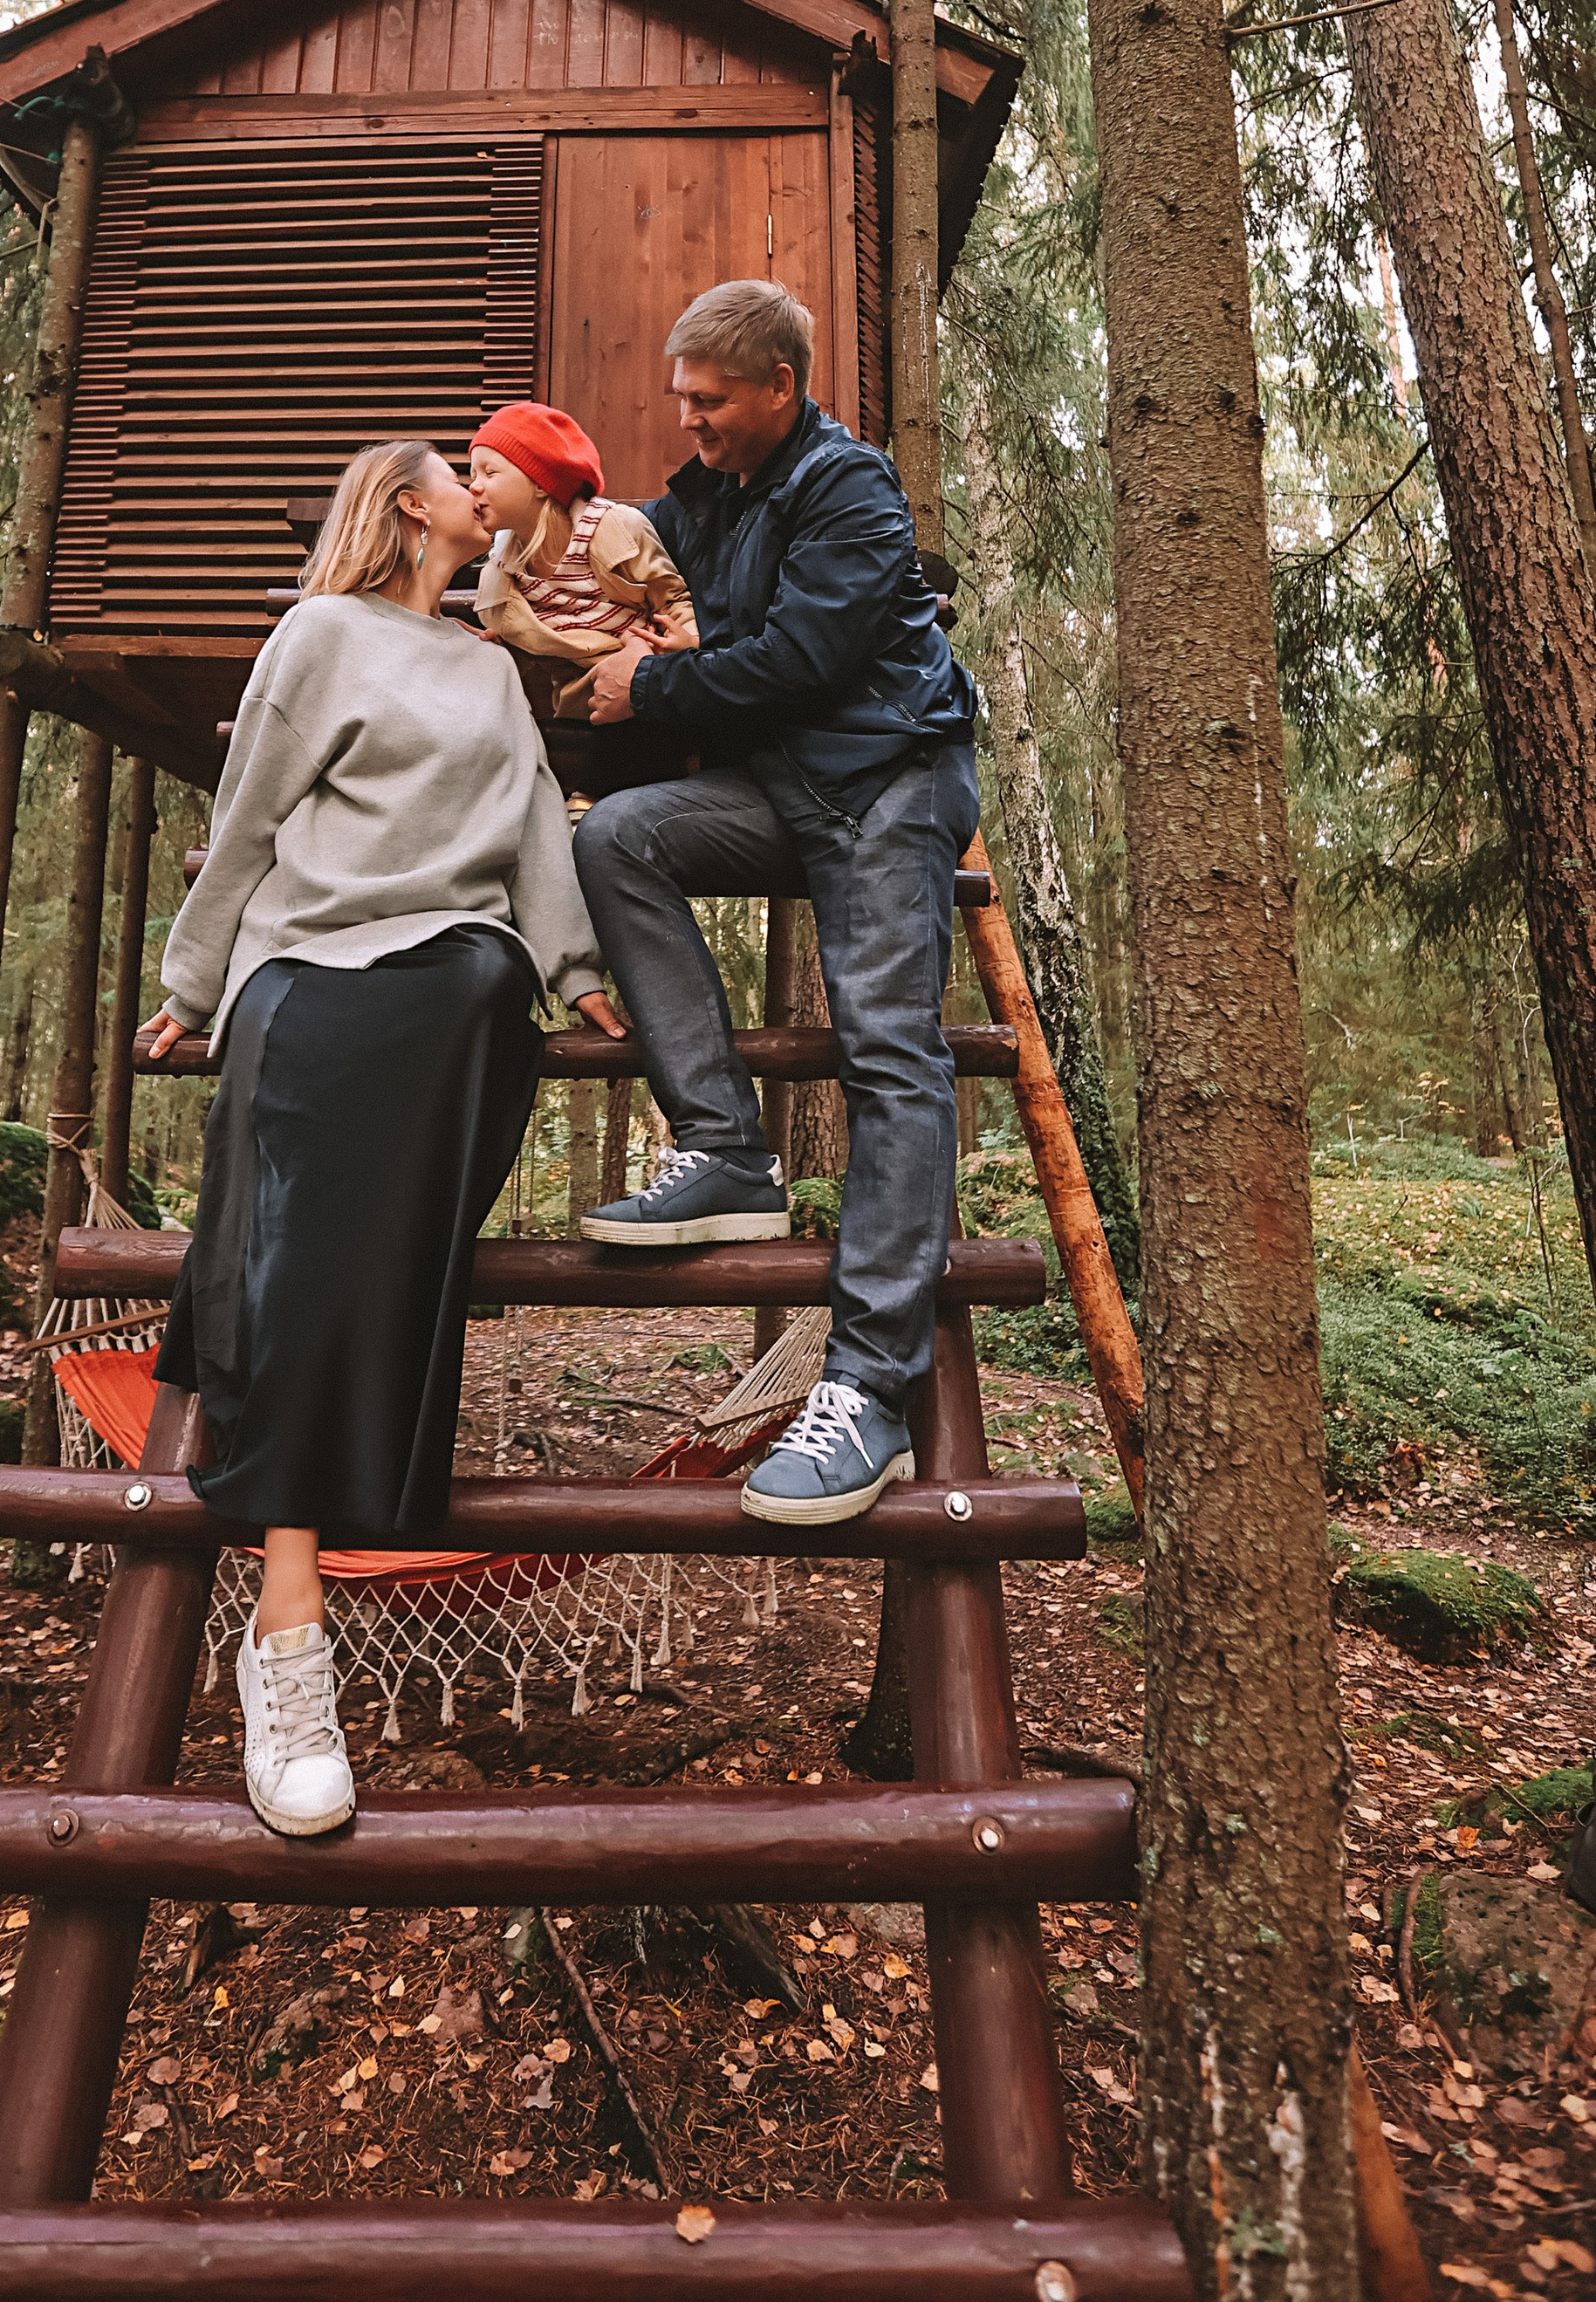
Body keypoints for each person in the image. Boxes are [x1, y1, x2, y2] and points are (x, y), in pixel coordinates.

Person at [135, 438, 623, 1836]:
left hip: (452, 971)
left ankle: (298, 1541)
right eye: (462, 474)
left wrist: (575, 971)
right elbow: (249, 823)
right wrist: (190, 987)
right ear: (413, 506)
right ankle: (290, 1635)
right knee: (331, 1219)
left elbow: (535, 826)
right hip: (309, 968)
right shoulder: (320, 634)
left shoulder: (492, 667)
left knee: (484, 988)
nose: (491, 487)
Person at [574, 280, 980, 1527]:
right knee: (622, 840)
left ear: (779, 391)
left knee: (889, 1054)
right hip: (791, 787)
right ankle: (725, 1151)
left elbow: (802, 662)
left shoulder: (847, 489)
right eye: (680, 402)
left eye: (708, 404)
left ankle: (866, 1393)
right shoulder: (716, 489)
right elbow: (624, 531)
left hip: (886, 784)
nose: (687, 424)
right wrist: (541, 523)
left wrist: (645, 692)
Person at [465, 398, 698, 718]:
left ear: (540, 483)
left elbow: (671, 599)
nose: (473, 486)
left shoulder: (611, 529)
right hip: (572, 703)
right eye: (471, 473)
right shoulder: (503, 567)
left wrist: (689, 647)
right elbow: (526, 641)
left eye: (490, 472)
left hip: (643, 683)